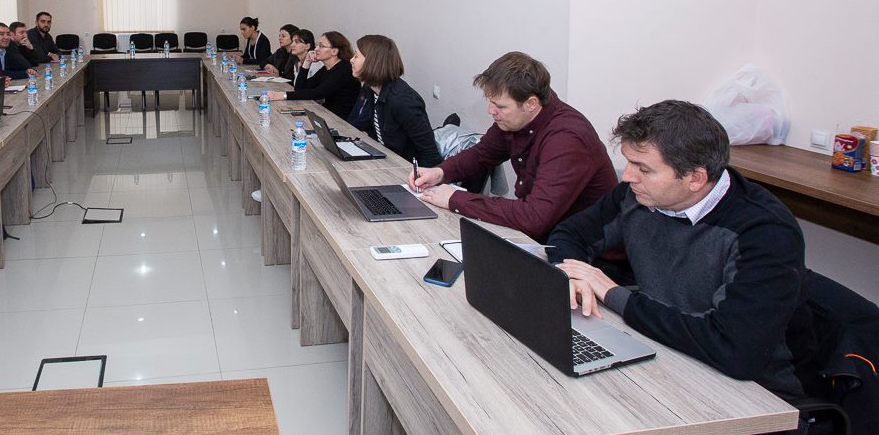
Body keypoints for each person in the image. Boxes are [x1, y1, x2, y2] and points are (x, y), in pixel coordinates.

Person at [547, 100, 814, 398]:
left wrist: (613, 294)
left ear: (695, 178)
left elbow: (734, 349)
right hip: (663, 351)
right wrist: (574, 276)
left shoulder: (764, 232)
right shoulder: (637, 196)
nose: (628, 176)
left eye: (643, 168)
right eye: (630, 162)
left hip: (750, 392)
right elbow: (570, 234)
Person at [409, 52, 617, 241]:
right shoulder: (515, 120)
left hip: (585, 252)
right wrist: (440, 172)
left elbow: (534, 217)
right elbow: (480, 155)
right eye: (491, 102)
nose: (491, 111)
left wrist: (456, 199)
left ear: (531, 104)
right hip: (546, 237)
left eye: (500, 106)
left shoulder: (567, 139)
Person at [348, 35, 443, 166]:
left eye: (356, 56)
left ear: (372, 61)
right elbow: (385, 131)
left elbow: (431, 155)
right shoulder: (371, 89)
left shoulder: (402, 101)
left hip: (407, 169)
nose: (351, 60)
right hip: (386, 161)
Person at [264, 31, 361, 119]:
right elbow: (300, 88)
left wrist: (282, 95)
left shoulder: (344, 69)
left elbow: (318, 93)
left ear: (334, 51)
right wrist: (307, 62)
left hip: (341, 120)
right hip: (326, 114)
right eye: (317, 45)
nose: (316, 49)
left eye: (321, 46)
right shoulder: (326, 68)